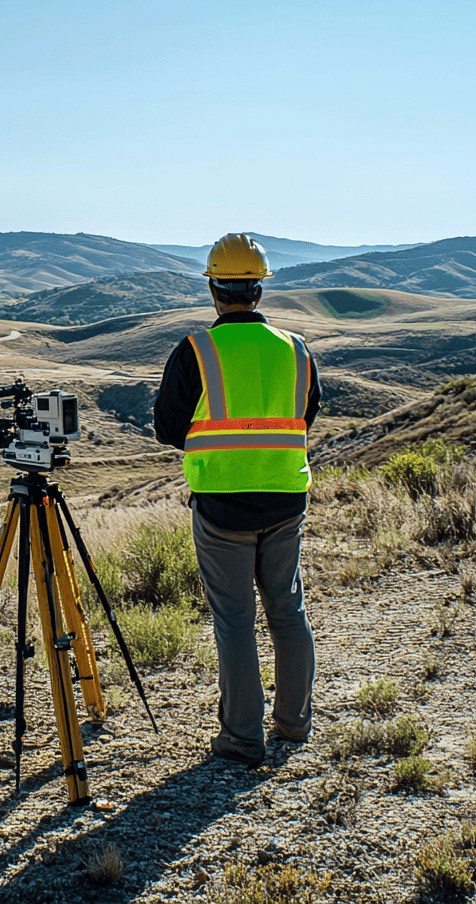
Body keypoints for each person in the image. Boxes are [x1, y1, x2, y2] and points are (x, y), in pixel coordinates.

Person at [153, 233, 320, 766]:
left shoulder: (197, 349)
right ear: (259, 290)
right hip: (286, 497)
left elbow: (168, 427)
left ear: (213, 288)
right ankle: (294, 726)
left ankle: (242, 739)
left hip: (222, 503)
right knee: (287, 611)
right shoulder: (296, 349)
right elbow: (304, 415)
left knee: (234, 621)